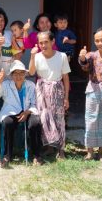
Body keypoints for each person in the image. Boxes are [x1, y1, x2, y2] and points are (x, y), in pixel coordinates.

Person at [0, 60, 41, 167]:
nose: (18, 76)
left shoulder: (30, 85)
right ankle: (7, 155)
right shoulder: (6, 84)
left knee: (35, 123)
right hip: (11, 112)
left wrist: (27, 112)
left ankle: (36, 155)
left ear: (25, 74)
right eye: (15, 73)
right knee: (7, 123)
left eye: (21, 73)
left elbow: (34, 102)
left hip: (28, 112)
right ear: (12, 75)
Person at [78, 27, 102, 163]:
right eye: (97, 40)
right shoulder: (92, 55)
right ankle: (90, 151)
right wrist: (82, 58)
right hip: (93, 90)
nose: (100, 43)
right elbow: (85, 66)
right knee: (91, 119)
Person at [29, 31, 70, 159]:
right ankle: (48, 146)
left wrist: (66, 98)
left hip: (57, 89)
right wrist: (32, 56)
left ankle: (60, 149)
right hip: (41, 90)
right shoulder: (37, 56)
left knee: (59, 119)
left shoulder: (61, 56)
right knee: (44, 118)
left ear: (52, 42)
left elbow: (66, 78)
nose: (43, 45)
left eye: (46, 42)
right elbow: (31, 72)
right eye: (41, 42)